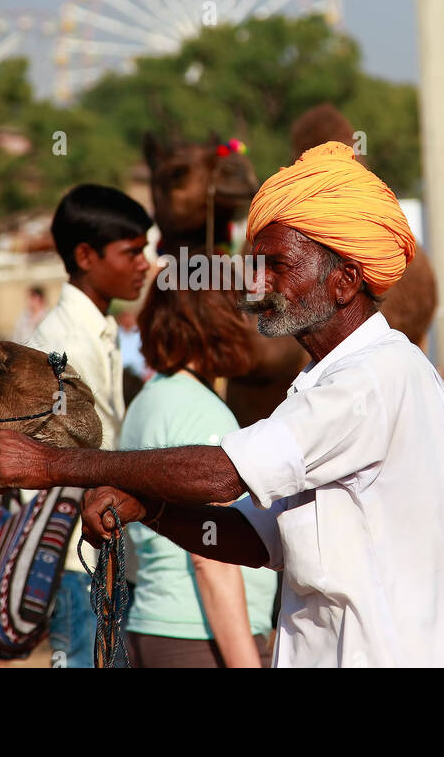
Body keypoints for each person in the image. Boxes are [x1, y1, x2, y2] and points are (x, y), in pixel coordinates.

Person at [0, 143, 444, 667]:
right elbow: (256, 537)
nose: (254, 285)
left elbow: (226, 474)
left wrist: (50, 465)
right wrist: (152, 508)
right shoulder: (324, 383)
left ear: (344, 281)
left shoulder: (372, 379)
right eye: (255, 264)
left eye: (277, 266)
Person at [25, 184, 152, 668]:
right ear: (85, 255)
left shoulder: (101, 328)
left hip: (103, 550)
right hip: (79, 555)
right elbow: (80, 463)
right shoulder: (65, 342)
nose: (144, 263)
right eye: (131, 252)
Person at [120, 280, 276, 667]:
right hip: (201, 639)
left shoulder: (148, 400)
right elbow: (212, 558)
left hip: (155, 624)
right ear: (216, 323)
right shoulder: (201, 411)